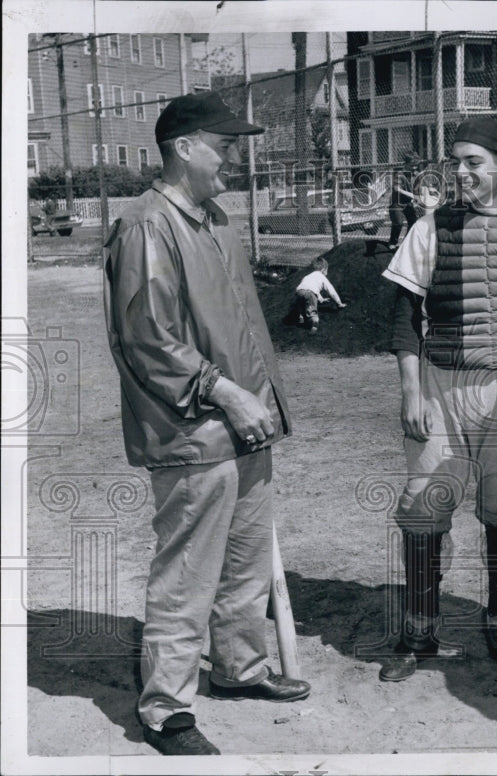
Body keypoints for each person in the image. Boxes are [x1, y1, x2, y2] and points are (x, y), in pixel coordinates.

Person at [103, 91, 310, 757]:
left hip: (248, 423)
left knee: (247, 560)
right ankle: (165, 710)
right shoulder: (146, 226)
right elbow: (149, 339)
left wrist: (259, 403)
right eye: (224, 145)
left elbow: (239, 327)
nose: (234, 157)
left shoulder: (215, 219)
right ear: (185, 147)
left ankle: (240, 667)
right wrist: (226, 392)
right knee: (188, 571)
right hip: (193, 432)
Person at [379, 116, 497, 684]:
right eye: (456, 162)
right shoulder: (430, 228)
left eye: (473, 162)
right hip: (441, 386)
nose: (461, 172)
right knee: (423, 506)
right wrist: (410, 391)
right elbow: (403, 316)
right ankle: (418, 631)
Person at [283, 256, 346, 333]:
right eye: (327, 270)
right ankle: (314, 325)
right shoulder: (322, 277)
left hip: (299, 292)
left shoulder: (308, 276)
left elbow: (312, 288)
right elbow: (331, 291)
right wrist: (339, 303)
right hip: (310, 294)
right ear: (323, 269)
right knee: (312, 310)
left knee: (301, 305)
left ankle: (300, 317)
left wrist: (321, 300)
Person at [387, 151, 420, 248]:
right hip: (397, 203)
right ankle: (392, 242)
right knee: (398, 223)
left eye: (416, 165)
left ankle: (406, 243)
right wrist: (411, 195)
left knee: (413, 222)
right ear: (406, 164)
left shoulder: (416, 174)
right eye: (412, 165)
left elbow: (418, 190)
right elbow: (396, 189)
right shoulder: (399, 174)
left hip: (408, 203)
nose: (414, 168)